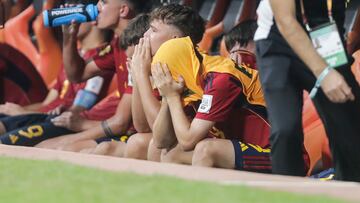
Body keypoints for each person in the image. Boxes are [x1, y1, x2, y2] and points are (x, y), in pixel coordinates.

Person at [128, 4, 271, 172]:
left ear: (175, 41)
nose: (144, 36)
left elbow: (186, 139)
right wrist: (166, 94)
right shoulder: (185, 73)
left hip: (276, 153)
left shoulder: (220, 77)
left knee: (205, 150)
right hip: (238, 146)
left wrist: (154, 85)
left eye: (152, 30)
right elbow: (160, 140)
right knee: (165, 151)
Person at [254, 0, 360, 181]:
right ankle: (287, 196)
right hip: (278, 43)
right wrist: (325, 73)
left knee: (350, 126)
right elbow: (286, 21)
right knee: (285, 130)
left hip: (324, 37)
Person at [36, 0, 151, 150]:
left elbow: (121, 123)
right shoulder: (117, 44)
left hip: (135, 135)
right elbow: (77, 75)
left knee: (57, 147)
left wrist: (78, 128)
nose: (97, 7)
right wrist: (69, 37)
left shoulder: (139, 46)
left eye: (104, 2)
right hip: (122, 130)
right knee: (47, 145)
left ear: (123, 10)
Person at [0, 22, 113, 146]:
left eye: (74, 15)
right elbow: (46, 103)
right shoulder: (74, 56)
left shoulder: (102, 57)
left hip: (61, 121)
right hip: (41, 116)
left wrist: (24, 113)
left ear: (92, 20)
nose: (69, 21)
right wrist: (19, 110)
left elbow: (79, 109)